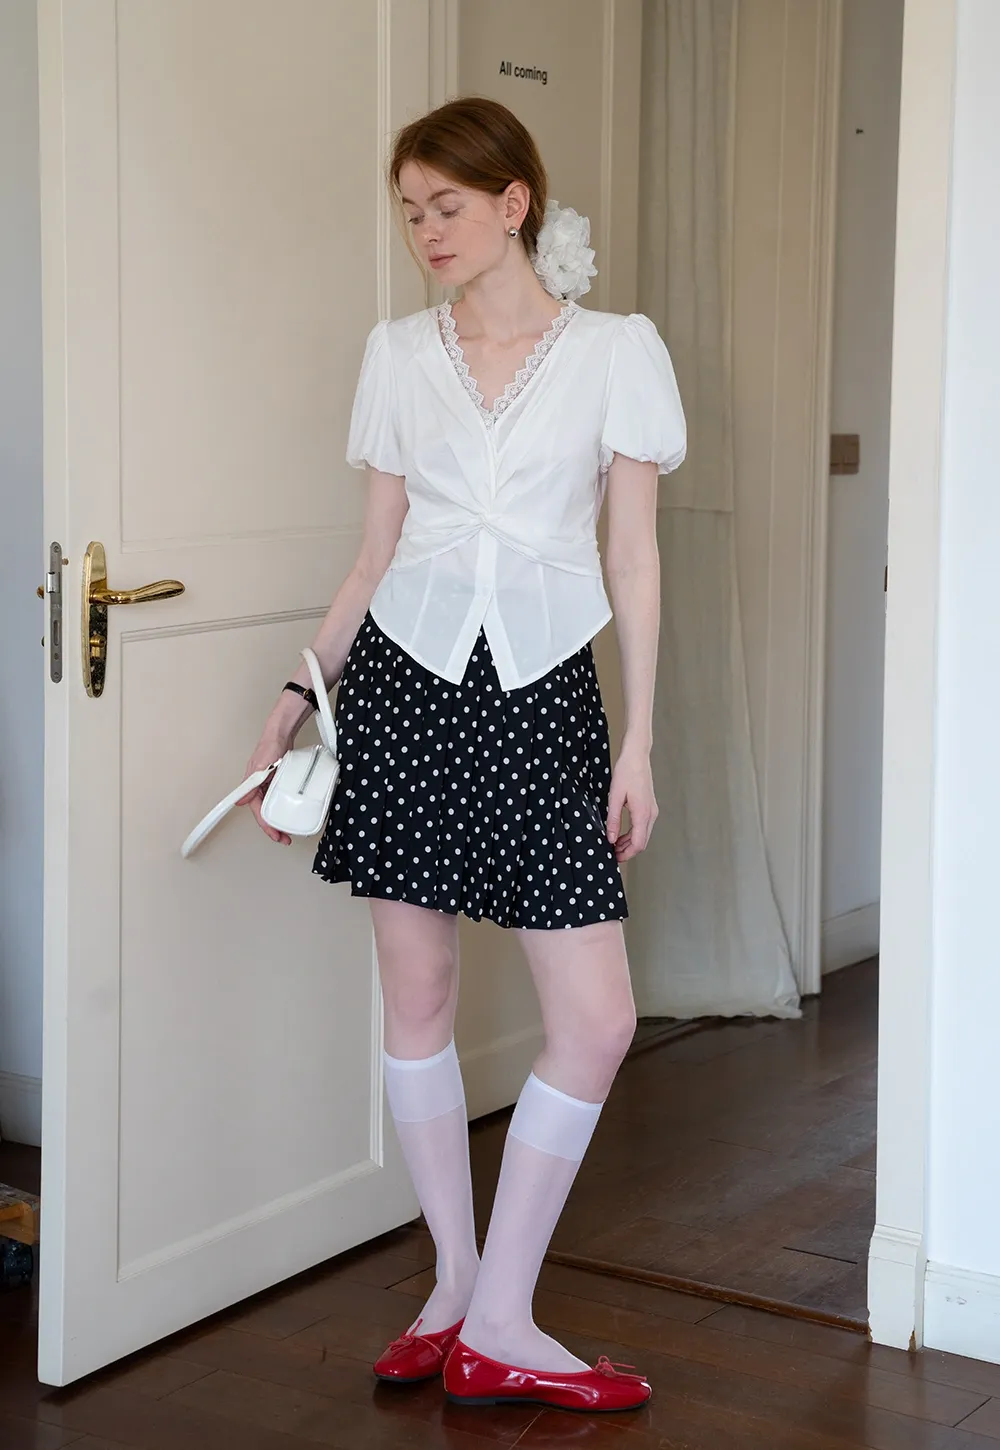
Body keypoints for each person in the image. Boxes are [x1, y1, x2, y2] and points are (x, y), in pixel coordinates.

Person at [239, 96, 686, 1414]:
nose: (426, 230)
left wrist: (639, 740)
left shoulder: (615, 351)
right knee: (419, 995)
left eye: (447, 204)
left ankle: (500, 1314)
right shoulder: (397, 355)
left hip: (545, 698)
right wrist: (300, 691)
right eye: (410, 211)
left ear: (514, 202)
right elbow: (375, 556)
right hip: (405, 689)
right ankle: (455, 1289)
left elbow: (633, 556)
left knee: (596, 1021)